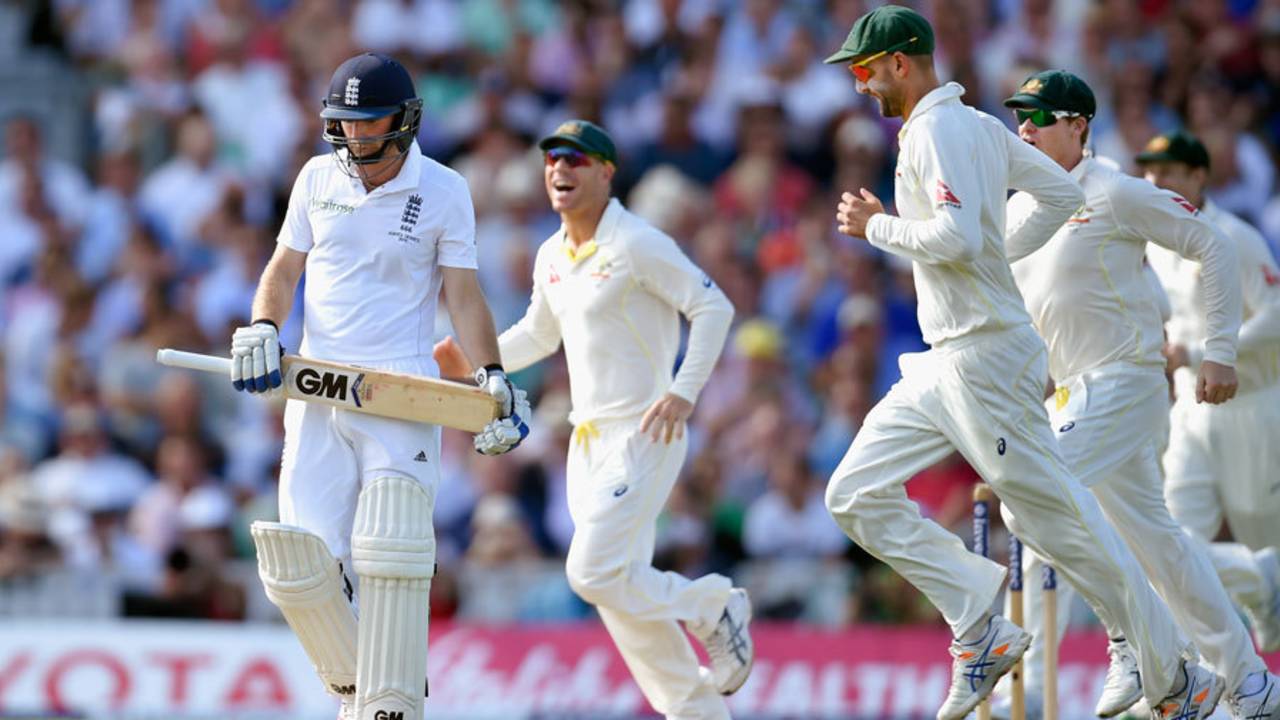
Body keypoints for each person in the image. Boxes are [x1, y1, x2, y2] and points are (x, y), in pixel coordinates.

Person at [820, 8, 1220, 720]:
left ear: (903, 61)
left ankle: (1175, 675)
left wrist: (874, 226)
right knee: (852, 494)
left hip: (986, 360)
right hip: (946, 359)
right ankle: (979, 621)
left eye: (864, 69)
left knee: (1062, 525)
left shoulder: (944, 129)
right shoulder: (972, 126)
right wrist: (1003, 253)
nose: (859, 86)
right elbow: (1060, 196)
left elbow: (956, 234)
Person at [228, 53, 530, 720]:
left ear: (406, 120)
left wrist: (493, 375)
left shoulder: (446, 189)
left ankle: (391, 706)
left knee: (391, 551)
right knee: (301, 570)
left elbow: (465, 296)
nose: (358, 140)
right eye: (347, 126)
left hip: (399, 388)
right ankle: (369, 699)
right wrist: (261, 326)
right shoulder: (315, 178)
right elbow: (283, 269)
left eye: (372, 125)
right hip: (317, 386)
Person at [435, 120, 751, 720]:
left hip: (645, 430)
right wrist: (478, 362)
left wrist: (684, 392)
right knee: (617, 587)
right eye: (553, 160)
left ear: (607, 172)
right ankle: (695, 710)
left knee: (591, 572)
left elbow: (713, 306)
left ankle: (712, 604)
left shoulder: (636, 242)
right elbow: (538, 334)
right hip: (585, 442)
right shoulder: (552, 253)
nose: (560, 171)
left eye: (576, 161)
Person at [999, 73, 1279, 720]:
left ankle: (1135, 644)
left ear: (1079, 126)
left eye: (1040, 117)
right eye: (1021, 117)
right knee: (1162, 545)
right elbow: (1002, 302)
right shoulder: (1018, 209)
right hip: (1073, 394)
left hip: (1126, 381)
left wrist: (1219, 351)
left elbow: (1209, 244)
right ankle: (1249, 681)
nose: (1026, 129)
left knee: (1032, 503)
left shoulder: (1115, 191)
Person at [1138, 130, 1280, 654]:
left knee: (1271, 543)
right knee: (1170, 543)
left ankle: (1262, 582)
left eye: (1170, 172)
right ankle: (1179, 676)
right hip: (1188, 415)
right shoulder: (1155, 241)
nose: (1157, 182)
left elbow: (1278, 315)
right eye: (1151, 173)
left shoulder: (1234, 237)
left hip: (1253, 410)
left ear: (1199, 177)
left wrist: (1198, 353)